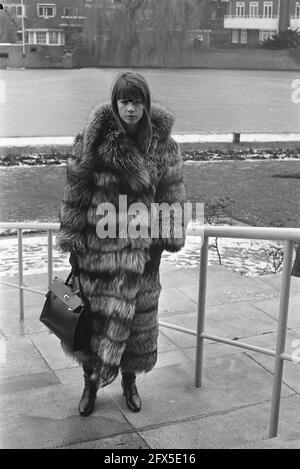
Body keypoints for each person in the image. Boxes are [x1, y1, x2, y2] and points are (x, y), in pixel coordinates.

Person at [56, 71, 188, 417]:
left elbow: (171, 198)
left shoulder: (163, 145)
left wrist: (160, 246)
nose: (130, 108)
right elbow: (76, 197)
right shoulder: (90, 141)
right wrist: (73, 244)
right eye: (124, 101)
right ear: (115, 103)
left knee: (136, 322)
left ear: (146, 103)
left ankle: (130, 381)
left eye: (137, 101)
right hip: (98, 254)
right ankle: (90, 383)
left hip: (142, 256)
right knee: (91, 323)